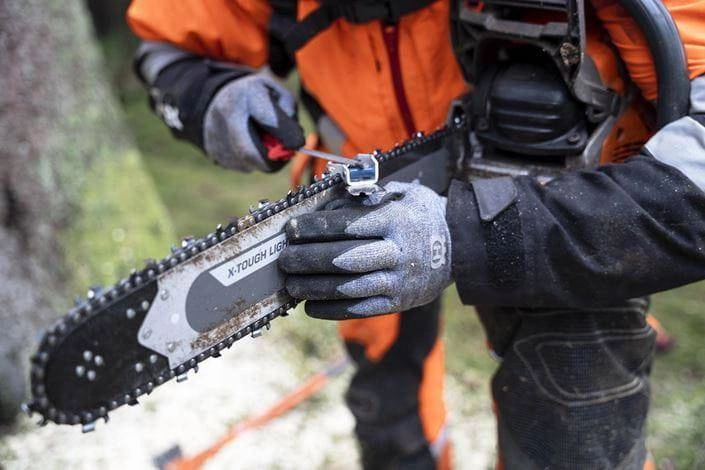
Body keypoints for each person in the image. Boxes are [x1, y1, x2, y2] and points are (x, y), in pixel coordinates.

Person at [126, 0, 705, 468]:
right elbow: (173, 44)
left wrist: (467, 237)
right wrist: (210, 93)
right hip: (361, 216)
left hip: (564, 215)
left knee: (574, 427)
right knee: (391, 422)